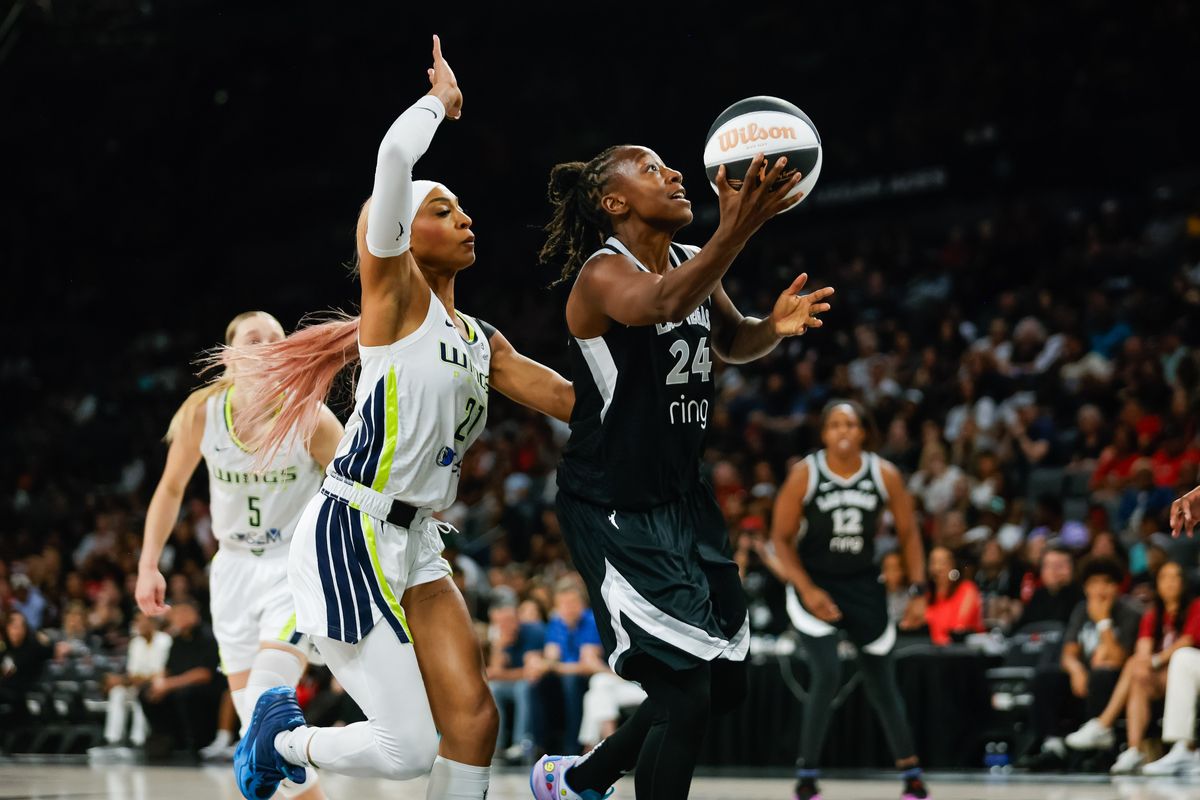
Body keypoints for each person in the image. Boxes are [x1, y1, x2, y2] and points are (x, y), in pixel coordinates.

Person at [230, 37, 574, 800]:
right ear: (407, 234)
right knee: (408, 748)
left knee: (475, 723)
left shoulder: (480, 339)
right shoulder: (395, 298)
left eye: (464, 210)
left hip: (416, 539)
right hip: (351, 530)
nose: (466, 219)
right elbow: (393, 156)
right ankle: (282, 737)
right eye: (444, 210)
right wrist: (439, 105)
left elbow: (565, 398)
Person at [531, 129, 832, 800]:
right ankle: (585, 778)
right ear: (613, 202)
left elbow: (731, 339)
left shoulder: (694, 258)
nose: (673, 173)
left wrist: (771, 329)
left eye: (669, 165)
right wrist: (740, 230)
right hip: (614, 506)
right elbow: (661, 303)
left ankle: (584, 777)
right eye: (650, 168)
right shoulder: (602, 274)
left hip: (682, 502)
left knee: (723, 685)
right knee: (686, 695)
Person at [135, 309, 341, 798]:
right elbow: (169, 491)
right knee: (258, 726)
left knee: (270, 705)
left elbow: (357, 491)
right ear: (229, 357)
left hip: (292, 565)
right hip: (229, 570)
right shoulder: (202, 414)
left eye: (277, 337)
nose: (269, 344)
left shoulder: (308, 414)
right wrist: (147, 565)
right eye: (255, 338)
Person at [771, 400, 930, 800]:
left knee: (882, 680)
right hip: (816, 581)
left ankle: (911, 775)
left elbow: (910, 533)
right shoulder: (805, 474)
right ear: (824, 433)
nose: (843, 431)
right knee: (826, 672)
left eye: (851, 424)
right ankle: (806, 776)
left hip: (862, 583)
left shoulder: (884, 473)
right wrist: (807, 589)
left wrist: (918, 590)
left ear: (863, 432)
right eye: (835, 424)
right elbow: (781, 540)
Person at [1066, 561, 1198, 773]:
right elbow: (1143, 646)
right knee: (1136, 669)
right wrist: (1146, 662)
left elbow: (1187, 641)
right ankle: (1134, 749)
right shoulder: (1153, 614)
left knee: (1137, 665)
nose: (1169, 583)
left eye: (1175, 578)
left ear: (1185, 583)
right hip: (1157, 677)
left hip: (1186, 674)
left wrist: (1153, 661)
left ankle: (1103, 726)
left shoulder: (1195, 607)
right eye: (1164, 577)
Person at [1020, 556, 1141, 771]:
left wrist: (1103, 620)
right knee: (1046, 678)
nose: (1101, 589)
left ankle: (1100, 748)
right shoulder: (1081, 610)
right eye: (1094, 583)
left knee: (1102, 675)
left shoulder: (1130, 612)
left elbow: (1120, 659)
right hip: (1084, 681)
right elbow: (1069, 652)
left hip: (1115, 685)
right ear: (1085, 588)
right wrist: (1076, 670)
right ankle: (1053, 744)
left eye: (1107, 583)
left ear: (1117, 587)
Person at [527, 580, 604, 755]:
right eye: (563, 604)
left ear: (582, 604)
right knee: (538, 682)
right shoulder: (556, 623)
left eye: (572, 603)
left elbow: (586, 666)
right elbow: (551, 656)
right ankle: (541, 746)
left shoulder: (592, 621)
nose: (568, 608)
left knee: (570, 682)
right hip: (566, 672)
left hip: (590, 676)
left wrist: (553, 666)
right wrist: (538, 665)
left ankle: (573, 747)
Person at [139, 600, 222, 756]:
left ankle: (196, 743)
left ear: (193, 614)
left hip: (208, 688)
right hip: (178, 685)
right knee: (146, 692)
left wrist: (169, 685)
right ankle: (165, 738)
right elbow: (168, 668)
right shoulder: (177, 640)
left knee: (186, 694)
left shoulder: (208, 636)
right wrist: (160, 682)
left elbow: (204, 674)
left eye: (182, 613)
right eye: (175, 615)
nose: (177, 618)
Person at [93, 612, 172, 755]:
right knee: (117, 692)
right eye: (136, 622)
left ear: (152, 623)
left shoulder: (164, 640)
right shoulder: (136, 643)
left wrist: (124, 680)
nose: (138, 625)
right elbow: (132, 673)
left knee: (140, 694)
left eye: (141, 621)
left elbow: (159, 673)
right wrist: (123, 681)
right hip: (136, 684)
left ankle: (139, 741)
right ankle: (114, 740)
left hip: (158, 687)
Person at [486, 597, 545, 762]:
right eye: (500, 623)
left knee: (523, 687)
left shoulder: (534, 631)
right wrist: (499, 647)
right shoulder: (500, 638)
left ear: (517, 618)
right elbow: (494, 672)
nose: (505, 626)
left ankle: (521, 744)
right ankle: (496, 746)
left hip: (542, 683)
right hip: (514, 683)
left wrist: (500, 674)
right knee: (493, 688)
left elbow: (531, 672)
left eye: (508, 621)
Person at [924, 546, 984, 645]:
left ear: (953, 566)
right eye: (933, 562)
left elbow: (959, 628)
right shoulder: (926, 595)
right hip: (933, 651)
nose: (937, 568)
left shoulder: (967, 589)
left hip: (964, 651)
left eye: (942, 562)